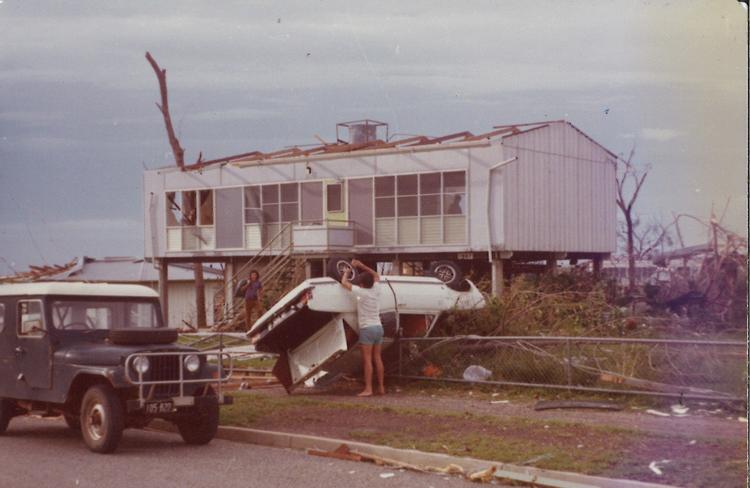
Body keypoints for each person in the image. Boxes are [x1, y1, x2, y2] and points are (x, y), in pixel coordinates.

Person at [341, 259, 385, 397]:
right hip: (378, 327)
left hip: (367, 329)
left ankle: (368, 389)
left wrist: (347, 272)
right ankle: (381, 388)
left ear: (361, 284)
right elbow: (376, 275)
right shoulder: (376, 289)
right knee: (377, 358)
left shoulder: (361, 292)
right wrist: (361, 265)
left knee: (367, 360)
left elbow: (344, 282)